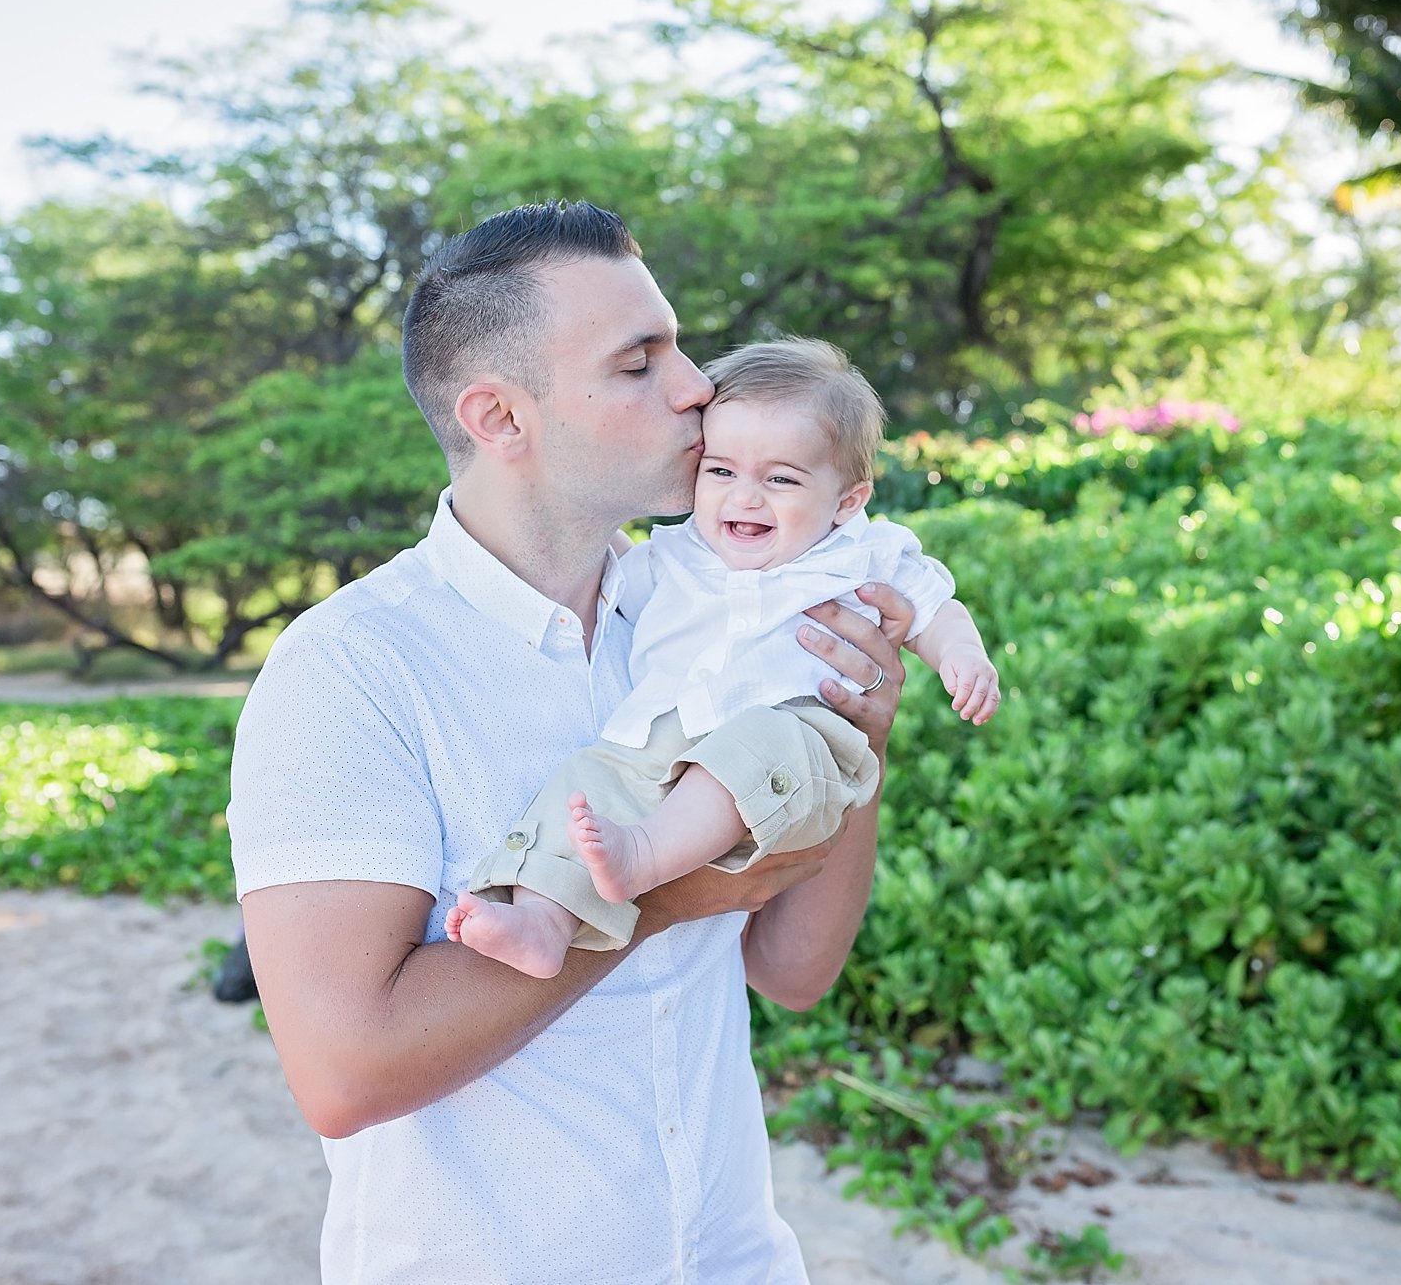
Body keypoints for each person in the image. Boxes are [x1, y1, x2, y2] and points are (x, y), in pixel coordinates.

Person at [227, 200, 917, 1284]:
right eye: (640, 362)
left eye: (678, 345)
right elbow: (344, 1069)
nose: (695, 385)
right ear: (499, 416)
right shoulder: (351, 669)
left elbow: (792, 969)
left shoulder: (708, 615)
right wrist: (661, 896)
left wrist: (847, 738)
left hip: (734, 1257)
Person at [446, 338, 1000, 978]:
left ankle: (643, 856)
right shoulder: (677, 552)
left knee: (750, 747)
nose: (745, 496)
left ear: (847, 501)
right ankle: (543, 918)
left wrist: (963, 657)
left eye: (781, 478)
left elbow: (935, 608)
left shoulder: (862, 554)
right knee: (589, 777)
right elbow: (606, 571)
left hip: (794, 735)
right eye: (722, 471)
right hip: (666, 730)